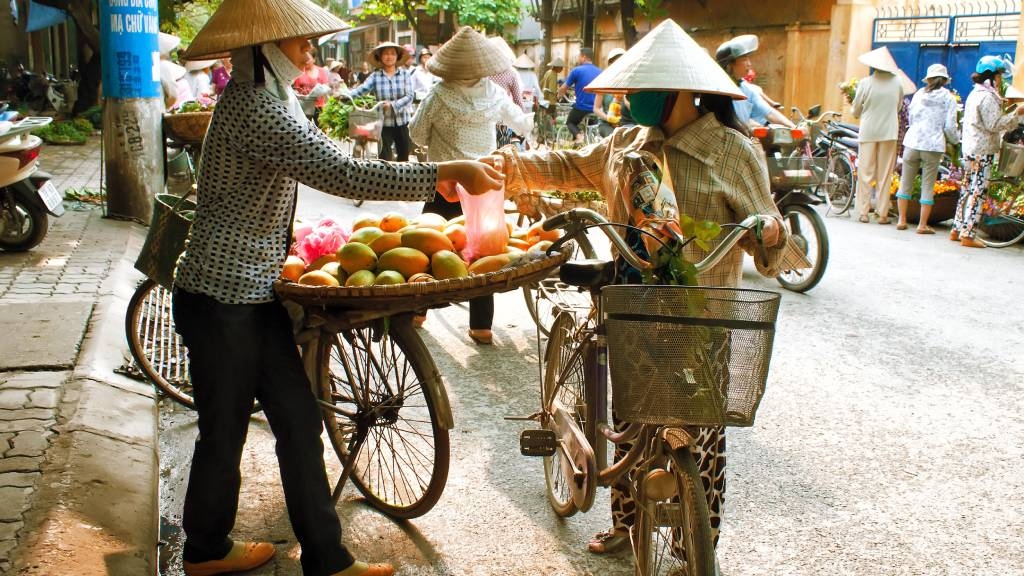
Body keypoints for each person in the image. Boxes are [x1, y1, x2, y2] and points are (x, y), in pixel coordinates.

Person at [174, 0, 503, 574]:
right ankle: (204, 549)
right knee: (222, 433)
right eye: (298, 41)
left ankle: (326, 558)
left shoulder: (275, 98)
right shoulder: (255, 105)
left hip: (254, 294)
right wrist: (447, 172)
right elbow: (342, 172)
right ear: (265, 48)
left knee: (299, 424)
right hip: (221, 298)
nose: (309, 49)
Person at [489, 19, 802, 557]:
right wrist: (505, 166)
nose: (628, 99)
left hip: (704, 319)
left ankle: (694, 547)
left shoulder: (733, 151)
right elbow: (567, 166)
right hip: (631, 305)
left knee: (701, 440)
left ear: (678, 90)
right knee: (629, 420)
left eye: (639, 89)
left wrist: (772, 230)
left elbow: (772, 244)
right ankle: (623, 520)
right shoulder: (627, 143)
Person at [409, 26, 533, 344]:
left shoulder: (438, 94)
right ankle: (481, 326)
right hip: (483, 185)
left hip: (444, 183)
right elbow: (521, 123)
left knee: (426, 248)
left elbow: (416, 134)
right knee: (482, 253)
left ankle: (417, 312)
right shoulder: (494, 94)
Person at [953, 55, 1024, 247]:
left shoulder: (976, 94)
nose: (1001, 79)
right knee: (978, 191)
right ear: (991, 77)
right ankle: (968, 234)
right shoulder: (987, 97)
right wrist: (1017, 113)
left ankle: (957, 228)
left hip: (970, 148)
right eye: (999, 76)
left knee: (967, 189)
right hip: (982, 150)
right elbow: (995, 124)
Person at [895, 63, 959, 234]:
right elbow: (950, 127)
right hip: (933, 144)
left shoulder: (918, 95)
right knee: (928, 185)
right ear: (944, 80)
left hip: (913, 141)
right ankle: (922, 225)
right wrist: (955, 141)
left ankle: (902, 220)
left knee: (905, 181)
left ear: (928, 79)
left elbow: (911, 116)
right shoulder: (949, 98)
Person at [850, 46, 904, 224]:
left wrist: (858, 112)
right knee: (885, 173)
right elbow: (898, 106)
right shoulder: (897, 82)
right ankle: (882, 214)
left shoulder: (865, 83)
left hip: (868, 131)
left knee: (865, 172)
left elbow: (856, 109)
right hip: (889, 132)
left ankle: (864, 212)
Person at [350, 42, 415, 161]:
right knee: (384, 157)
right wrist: (346, 95)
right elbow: (362, 89)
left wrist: (393, 105)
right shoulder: (375, 76)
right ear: (380, 57)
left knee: (404, 156)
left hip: (403, 121)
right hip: (383, 123)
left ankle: (402, 179)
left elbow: (410, 96)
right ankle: (387, 179)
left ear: (397, 56)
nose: (389, 57)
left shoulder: (405, 74)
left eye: (392, 54)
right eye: (385, 54)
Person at [715, 35, 795, 129]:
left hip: (741, 138)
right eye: (744, 59)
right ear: (729, 64)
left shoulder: (746, 88)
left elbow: (769, 112)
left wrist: (794, 127)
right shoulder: (717, 89)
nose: (749, 64)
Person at [557, 46, 602, 144]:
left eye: (579, 56)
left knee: (570, 122)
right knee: (592, 126)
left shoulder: (576, 71)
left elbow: (564, 87)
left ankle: (579, 137)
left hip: (581, 107)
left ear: (584, 57)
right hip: (596, 109)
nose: (578, 59)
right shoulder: (600, 71)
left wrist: (559, 95)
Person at [593, 47, 634, 137]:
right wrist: (608, 118)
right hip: (606, 124)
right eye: (615, 61)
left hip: (626, 123)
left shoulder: (630, 81)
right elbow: (596, 108)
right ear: (610, 63)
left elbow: (632, 106)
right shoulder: (604, 81)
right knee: (615, 138)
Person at [293, 50, 331, 122]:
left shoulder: (321, 71)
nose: (306, 61)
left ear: (314, 59)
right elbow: (296, 89)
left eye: (308, 58)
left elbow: (326, 88)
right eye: (304, 58)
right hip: (304, 108)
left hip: (320, 107)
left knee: (321, 128)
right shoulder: (299, 72)